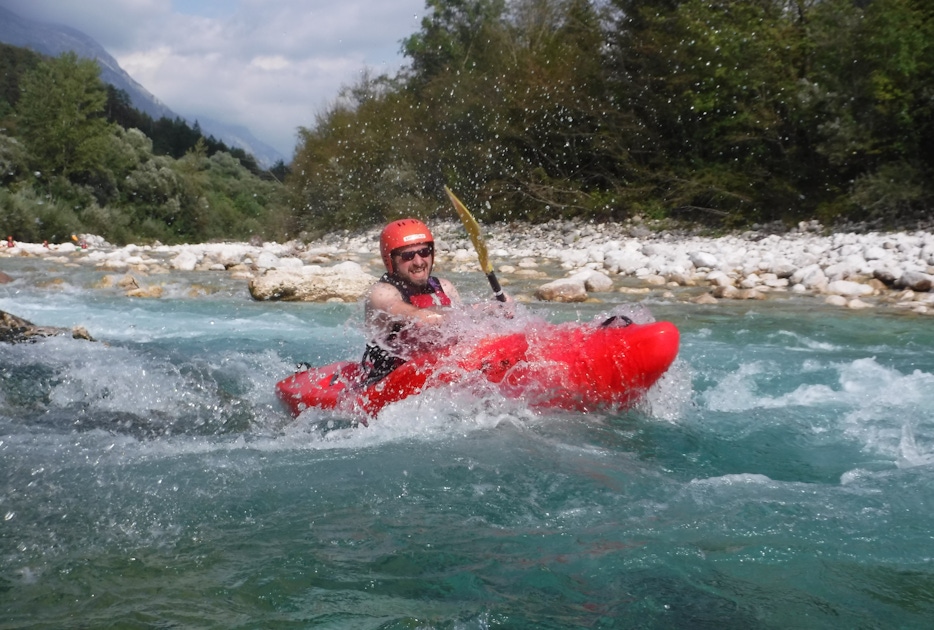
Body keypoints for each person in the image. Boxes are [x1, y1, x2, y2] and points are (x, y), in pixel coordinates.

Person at [361, 218, 507, 383]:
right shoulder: (382, 293)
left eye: (424, 252)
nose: (418, 262)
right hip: (386, 382)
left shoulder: (445, 287)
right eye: (408, 256)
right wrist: (482, 308)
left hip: (435, 374)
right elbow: (420, 318)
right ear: (391, 260)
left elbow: (465, 330)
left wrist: (499, 312)